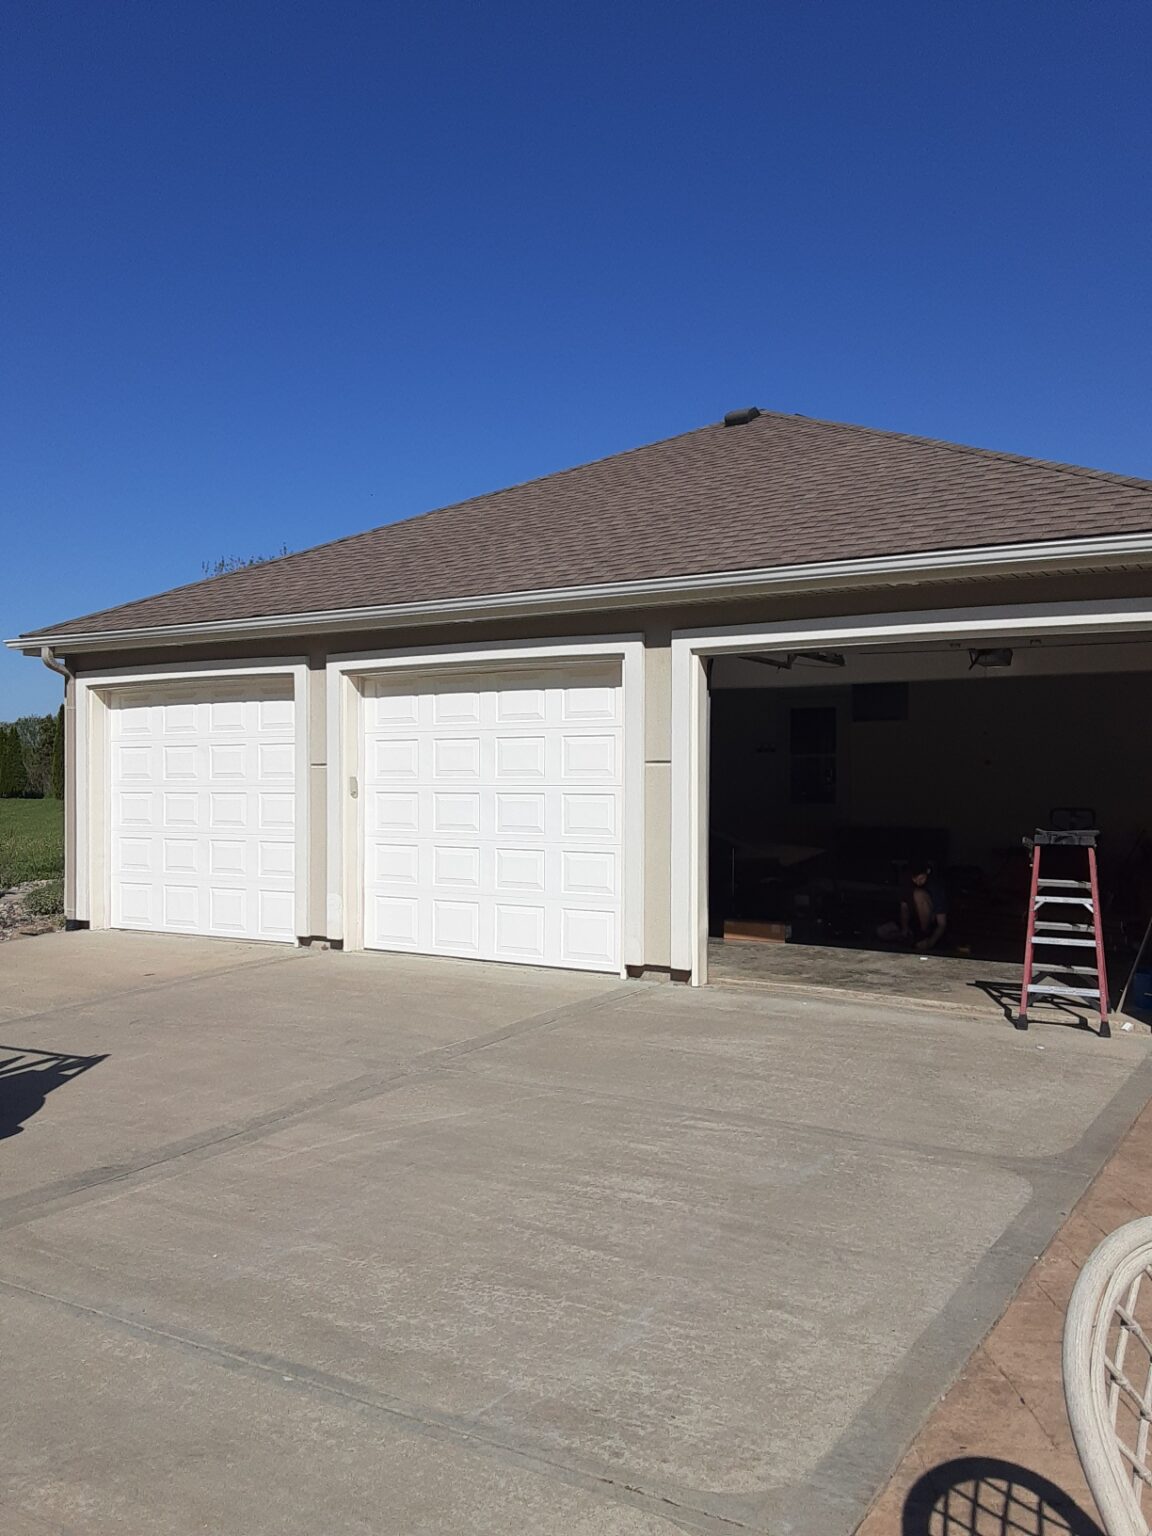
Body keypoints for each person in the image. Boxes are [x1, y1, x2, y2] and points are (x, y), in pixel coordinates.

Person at [878, 860, 949, 952]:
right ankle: (909, 939)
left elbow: (942, 923)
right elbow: (904, 908)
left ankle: (921, 937)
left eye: (921, 878)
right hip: (912, 923)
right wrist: (904, 928)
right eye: (915, 879)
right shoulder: (907, 883)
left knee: (918, 894)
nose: (918, 882)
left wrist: (931, 941)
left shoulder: (936, 888)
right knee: (882, 931)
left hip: (928, 927)